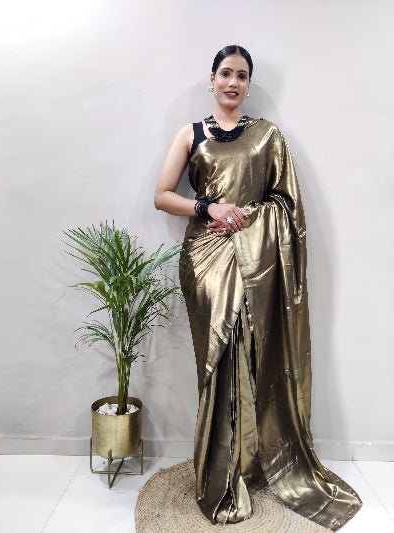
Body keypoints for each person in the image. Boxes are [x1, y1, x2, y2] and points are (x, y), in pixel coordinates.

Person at [154, 44, 362, 530]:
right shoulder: (191, 133)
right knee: (217, 359)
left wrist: (247, 217)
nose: (233, 82)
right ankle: (219, 471)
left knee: (253, 353)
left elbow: (286, 204)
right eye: (226, 73)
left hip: (257, 261)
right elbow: (162, 196)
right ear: (211, 79)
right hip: (205, 261)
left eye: (242, 76)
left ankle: (250, 462)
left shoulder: (268, 136)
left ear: (248, 85)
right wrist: (209, 207)